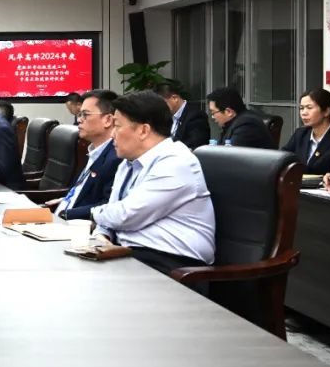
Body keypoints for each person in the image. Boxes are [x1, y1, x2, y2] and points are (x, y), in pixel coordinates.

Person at [90, 91, 216, 275]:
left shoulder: (176, 162)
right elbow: (113, 211)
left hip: (173, 265)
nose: (112, 135)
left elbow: (126, 215)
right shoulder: (128, 162)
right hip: (131, 254)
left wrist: (93, 213)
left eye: (117, 126)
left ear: (143, 130)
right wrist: (102, 235)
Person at [47, 90, 121, 220]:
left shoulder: (116, 158)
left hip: (75, 224)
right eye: (79, 114)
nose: (79, 120)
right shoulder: (95, 151)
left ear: (108, 120)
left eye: (85, 115)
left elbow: (108, 206)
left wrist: (66, 213)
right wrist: (66, 201)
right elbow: (83, 192)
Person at [282, 88, 330, 176]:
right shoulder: (300, 134)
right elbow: (283, 158)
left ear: (326, 111)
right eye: (301, 108)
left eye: (309, 108)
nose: (303, 113)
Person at [206, 86, 273, 149]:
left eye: (213, 112)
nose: (213, 117)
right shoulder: (234, 122)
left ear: (229, 112)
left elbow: (230, 155)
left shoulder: (247, 125)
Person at [154, 83, 209, 150]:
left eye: (163, 104)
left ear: (175, 98)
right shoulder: (166, 117)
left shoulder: (196, 116)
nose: (160, 108)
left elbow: (194, 144)